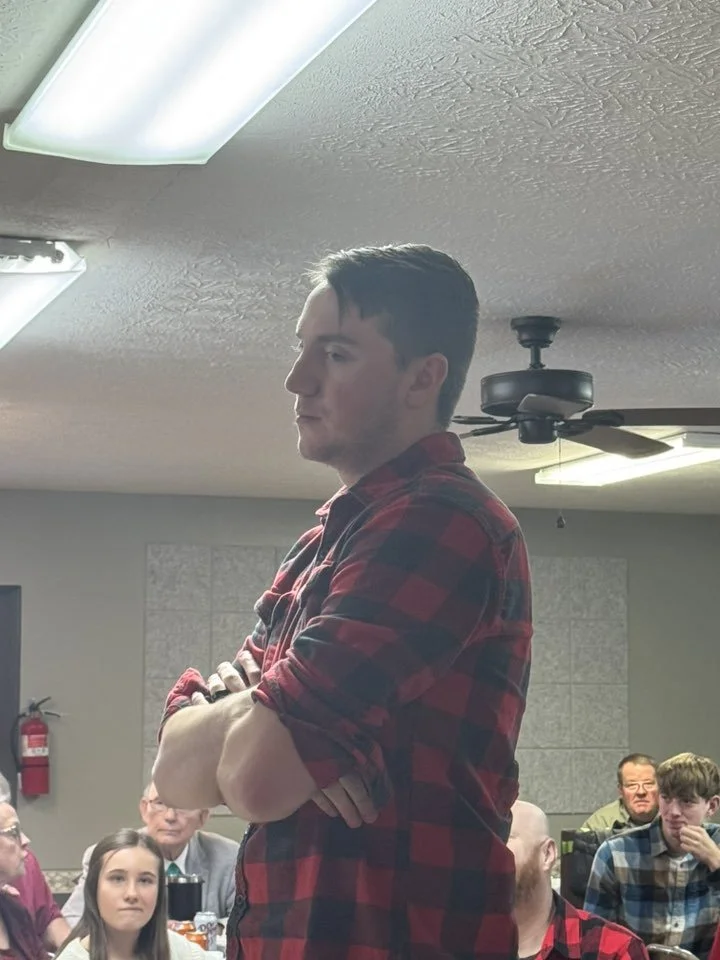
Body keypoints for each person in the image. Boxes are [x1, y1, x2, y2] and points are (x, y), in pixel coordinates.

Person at [154, 243, 533, 959]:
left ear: (422, 377)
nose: (298, 380)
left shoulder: (438, 521)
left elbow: (259, 783)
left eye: (335, 354)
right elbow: (177, 778)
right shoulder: (326, 538)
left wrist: (263, 722)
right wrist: (276, 708)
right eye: (304, 350)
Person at [584, 752, 720, 960]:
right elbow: (593, 940)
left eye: (686, 802)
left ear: (711, 805)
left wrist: (716, 863)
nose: (673, 812)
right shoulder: (616, 852)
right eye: (666, 798)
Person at [63, 782, 237, 925]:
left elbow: (246, 924)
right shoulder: (109, 856)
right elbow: (73, 920)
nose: (170, 816)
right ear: (144, 809)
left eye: (183, 806)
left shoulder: (228, 856)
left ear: (203, 817)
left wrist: (201, 930)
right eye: (160, 803)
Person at [508, 800, 649, 960]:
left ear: (547, 854)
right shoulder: (475, 941)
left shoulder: (612, 950)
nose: (488, 853)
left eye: (504, 837)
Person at [55, 829, 205, 960]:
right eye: (117, 879)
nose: (132, 894)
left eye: (145, 880)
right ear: (94, 888)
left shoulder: (180, 951)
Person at [0, 772, 70, 954]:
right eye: (13, 831)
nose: (25, 840)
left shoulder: (14, 909)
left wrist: (78, 953)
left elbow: (48, 919)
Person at [581, 754, 659, 832]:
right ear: (621, 791)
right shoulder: (599, 824)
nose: (641, 792)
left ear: (661, 787)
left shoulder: (670, 815)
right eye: (632, 785)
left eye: (648, 784)